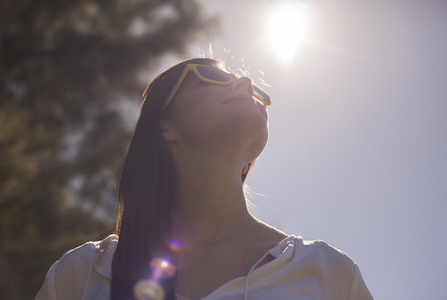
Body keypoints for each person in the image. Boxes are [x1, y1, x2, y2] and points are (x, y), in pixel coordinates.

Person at [35, 58, 373, 300]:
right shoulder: (82, 274)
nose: (244, 84)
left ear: (248, 162)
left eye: (253, 90)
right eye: (210, 75)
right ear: (166, 125)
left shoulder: (330, 273)